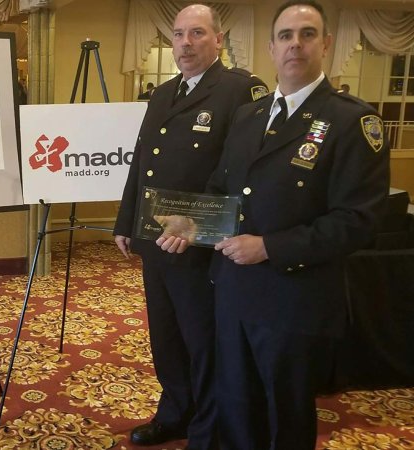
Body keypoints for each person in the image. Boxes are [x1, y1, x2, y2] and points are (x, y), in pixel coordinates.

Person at [158, 2, 389, 449]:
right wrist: (192, 222)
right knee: (235, 404)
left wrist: (270, 247)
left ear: (326, 44)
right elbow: (222, 187)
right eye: (285, 36)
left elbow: (358, 221)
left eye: (307, 34)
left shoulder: (352, 121)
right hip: (233, 291)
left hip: (294, 299)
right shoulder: (249, 116)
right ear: (271, 47)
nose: (295, 44)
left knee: (283, 415)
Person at [113, 4, 267, 448]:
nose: (186, 42)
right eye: (179, 34)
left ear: (219, 39)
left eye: (197, 33)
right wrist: (126, 220)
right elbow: (143, 162)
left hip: (200, 246)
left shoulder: (241, 90)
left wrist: (196, 225)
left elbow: (244, 173)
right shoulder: (163, 93)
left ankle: (208, 428)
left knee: (203, 340)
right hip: (155, 238)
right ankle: (175, 413)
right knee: (166, 336)